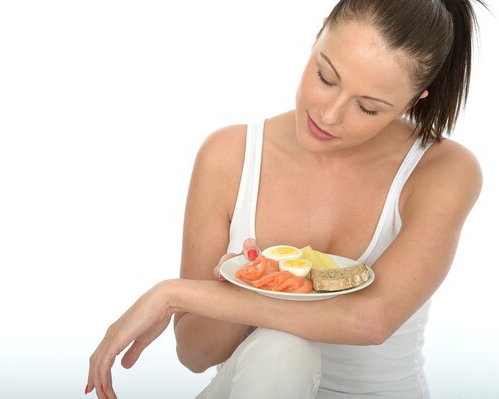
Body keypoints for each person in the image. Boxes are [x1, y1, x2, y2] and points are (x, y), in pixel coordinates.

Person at [86, 0, 487, 397]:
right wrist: (248, 285)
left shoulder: (442, 169)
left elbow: (373, 319)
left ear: (414, 100)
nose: (328, 115)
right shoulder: (230, 155)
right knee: (282, 349)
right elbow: (194, 354)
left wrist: (171, 293)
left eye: (367, 108)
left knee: (284, 345)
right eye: (326, 77)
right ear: (320, 31)